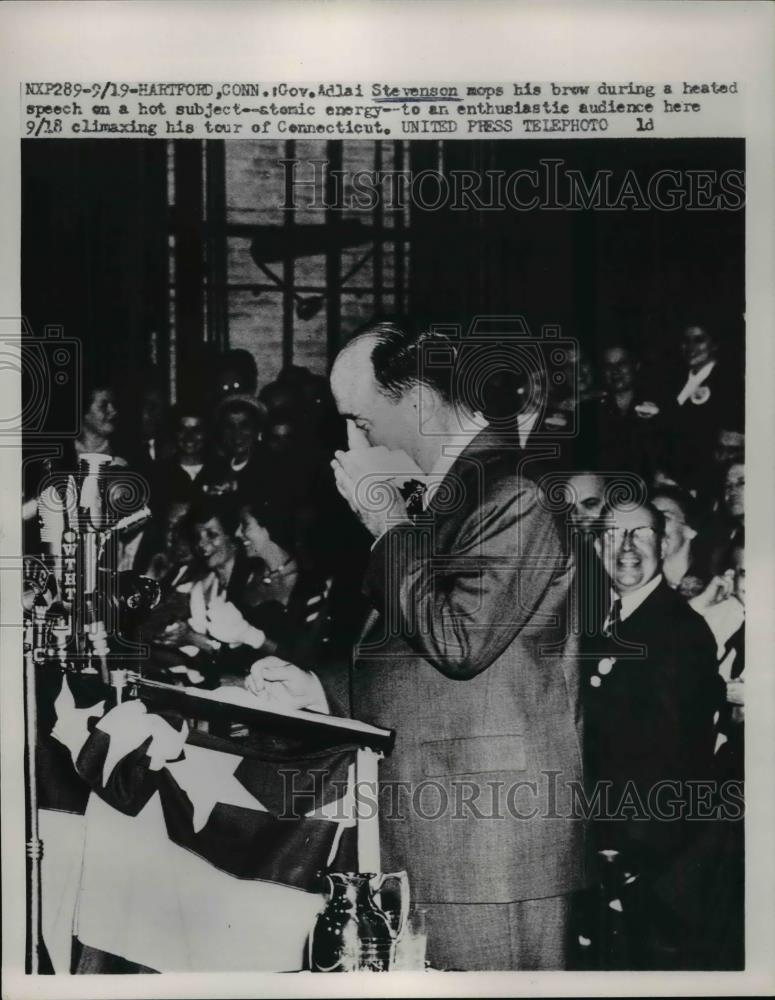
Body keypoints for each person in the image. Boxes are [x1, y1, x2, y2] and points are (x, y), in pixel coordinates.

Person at [246, 321, 585, 970]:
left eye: (361, 421)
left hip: (488, 845)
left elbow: (460, 640)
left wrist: (386, 527)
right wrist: (319, 688)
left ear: (421, 405)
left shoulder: (514, 492)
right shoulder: (452, 496)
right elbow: (416, 661)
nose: (352, 442)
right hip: (438, 827)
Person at [585, 499, 722, 969]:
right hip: (599, 848)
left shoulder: (681, 632)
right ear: (597, 544)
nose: (626, 547)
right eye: (613, 534)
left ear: (663, 545)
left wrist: (624, 849)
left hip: (643, 860)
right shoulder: (594, 627)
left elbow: (676, 757)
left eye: (639, 534)